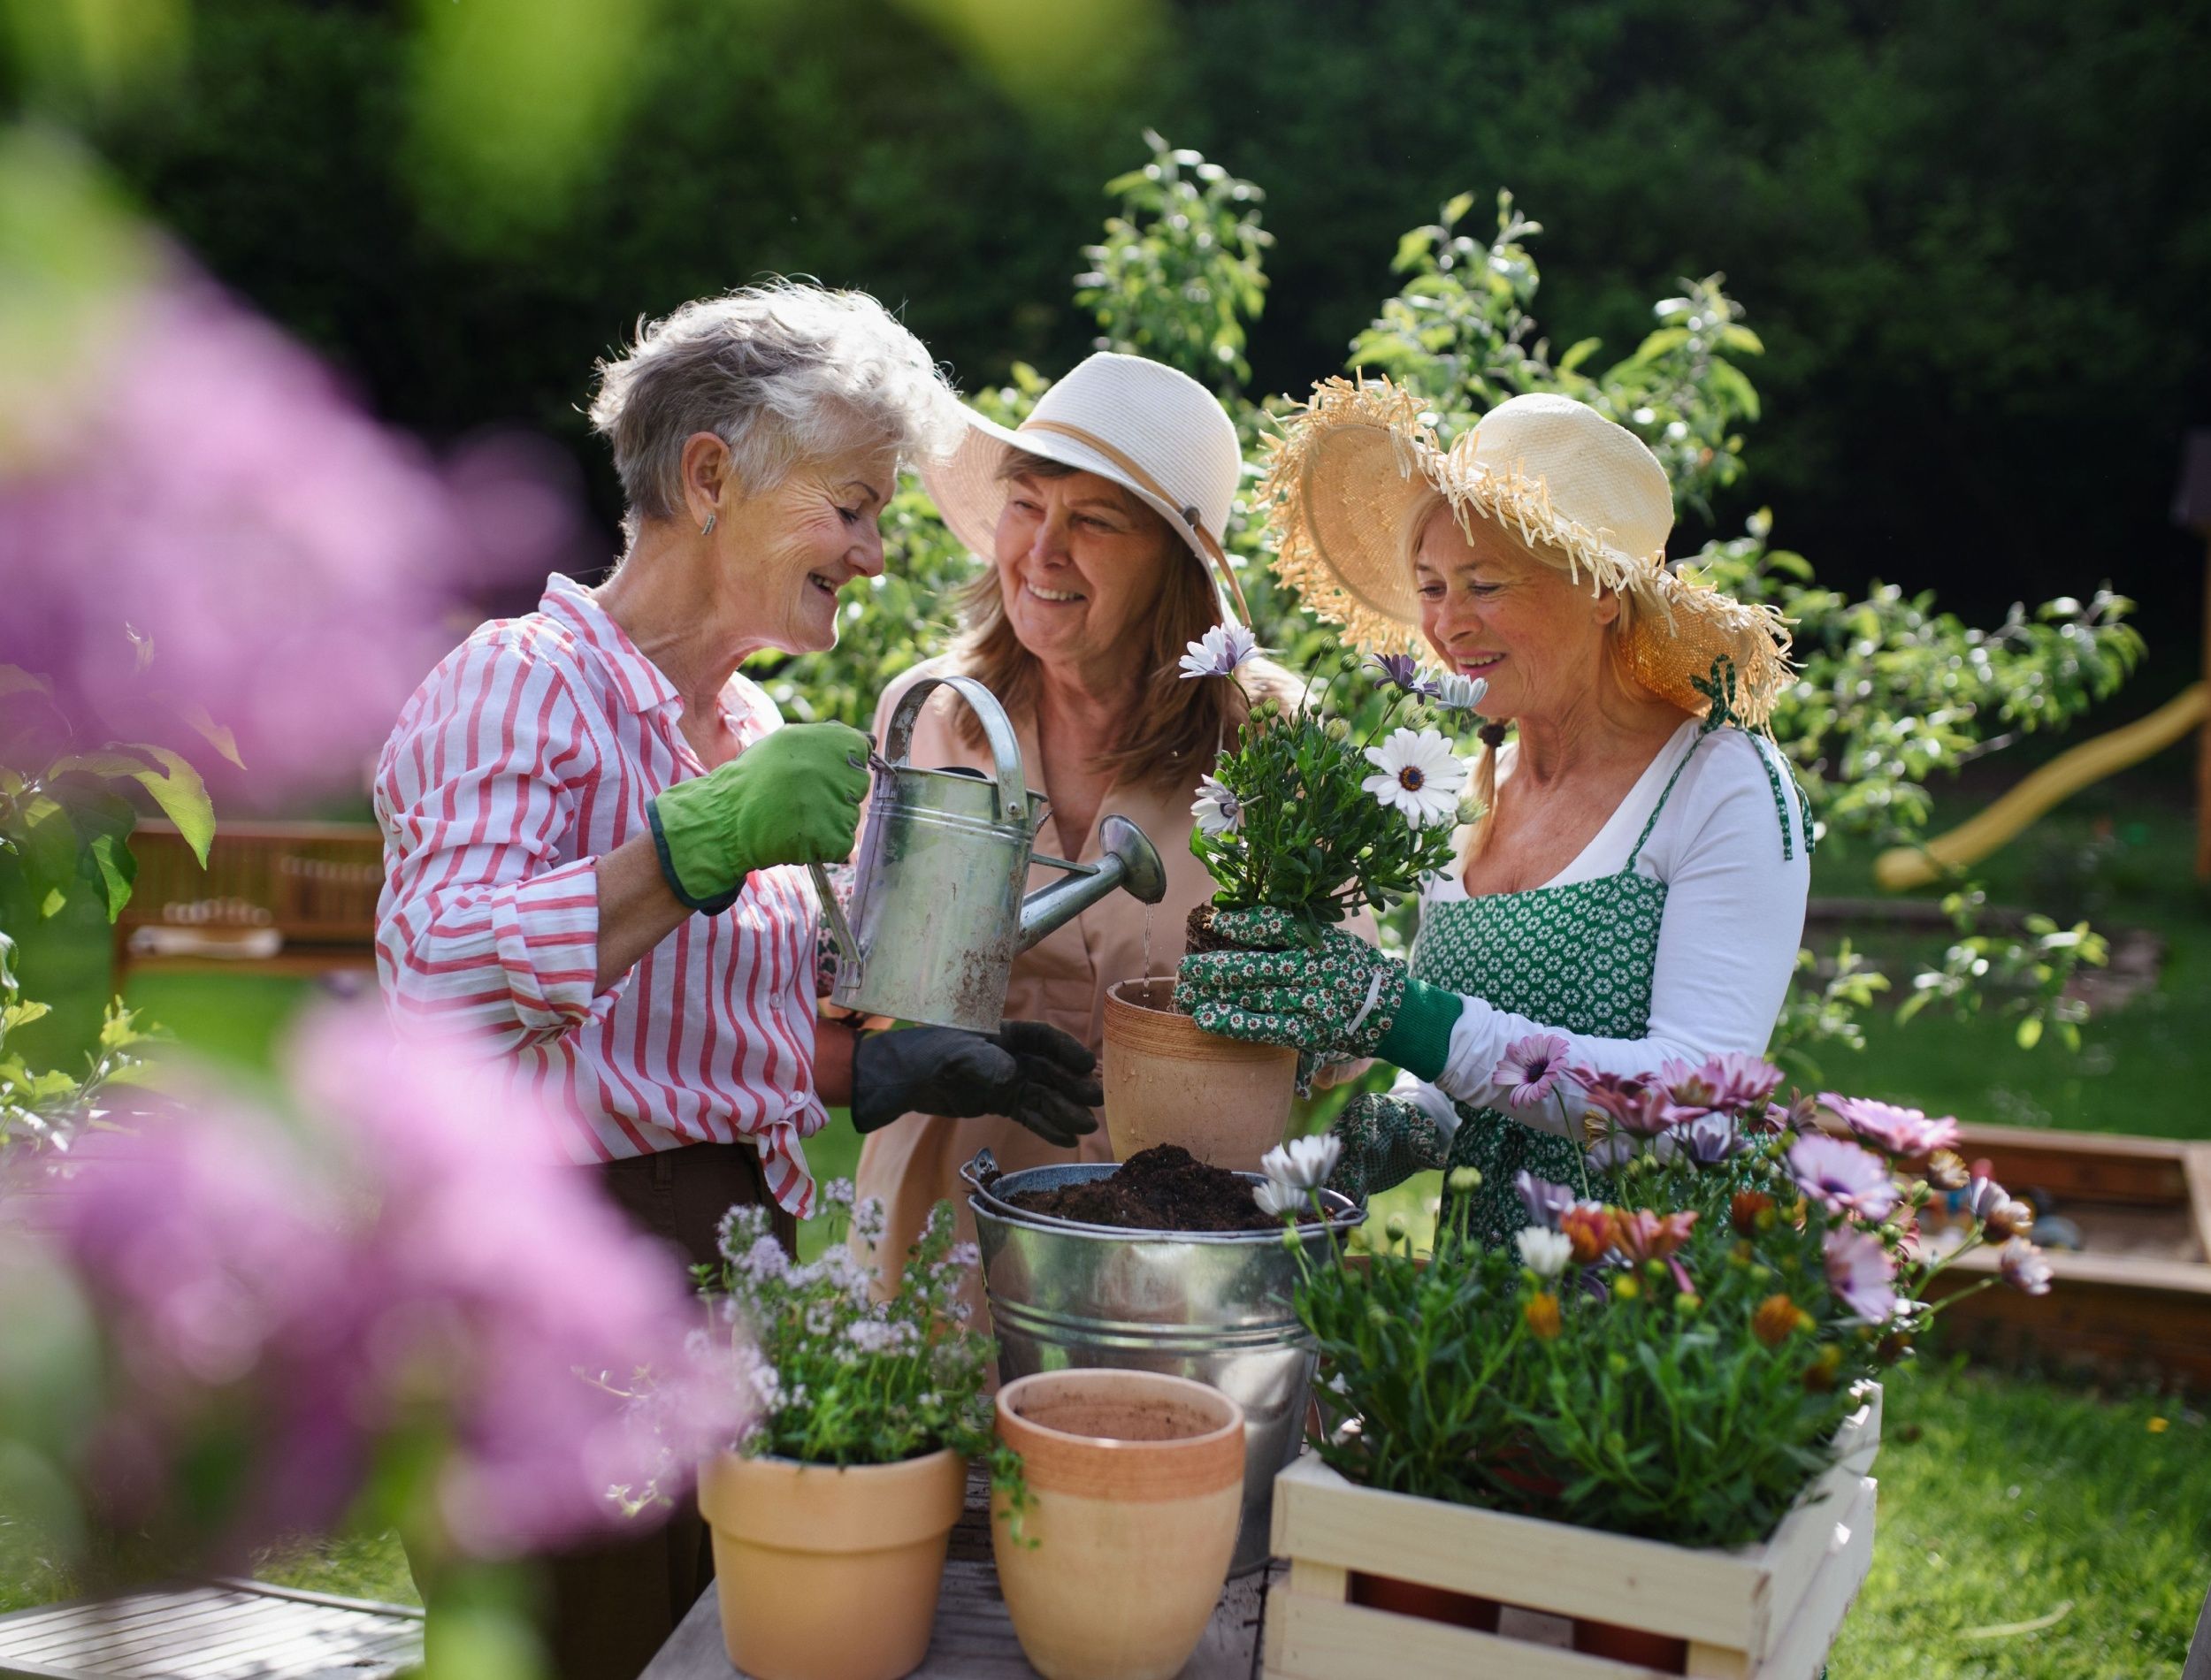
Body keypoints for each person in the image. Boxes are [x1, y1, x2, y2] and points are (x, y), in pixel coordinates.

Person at [372, 283, 1098, 1680]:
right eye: (850, 505)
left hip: (720, 1291)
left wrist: (874, 1066)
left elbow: (679, 1035)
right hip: (551, 1303)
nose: (877, 551)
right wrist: (695, 842)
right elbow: (443, 994)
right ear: (710, 477)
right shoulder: (525, 683)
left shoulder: (747, 722)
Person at [1176, 380, 1813, 1249]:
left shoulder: (1718, 781)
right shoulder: (1472, 788)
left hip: (1652, 1307)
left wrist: (1401, 1014)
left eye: (1485, 584)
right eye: (1432, 586)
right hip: (1478, 1321)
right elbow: (1474, 1069)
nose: (1445, 624)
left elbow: (1689, 1098)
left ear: (1600, 588)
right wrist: (1406, 1123)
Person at [852, 351, 1366, 1308]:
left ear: (1174, 564)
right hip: (947, 1223)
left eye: (1093, 522)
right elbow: (866, 991)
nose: (1043, 550)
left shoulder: (1271, 746)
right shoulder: (935, 717)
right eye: (1026, 504)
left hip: (1183, 1239)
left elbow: (1341, 1040)